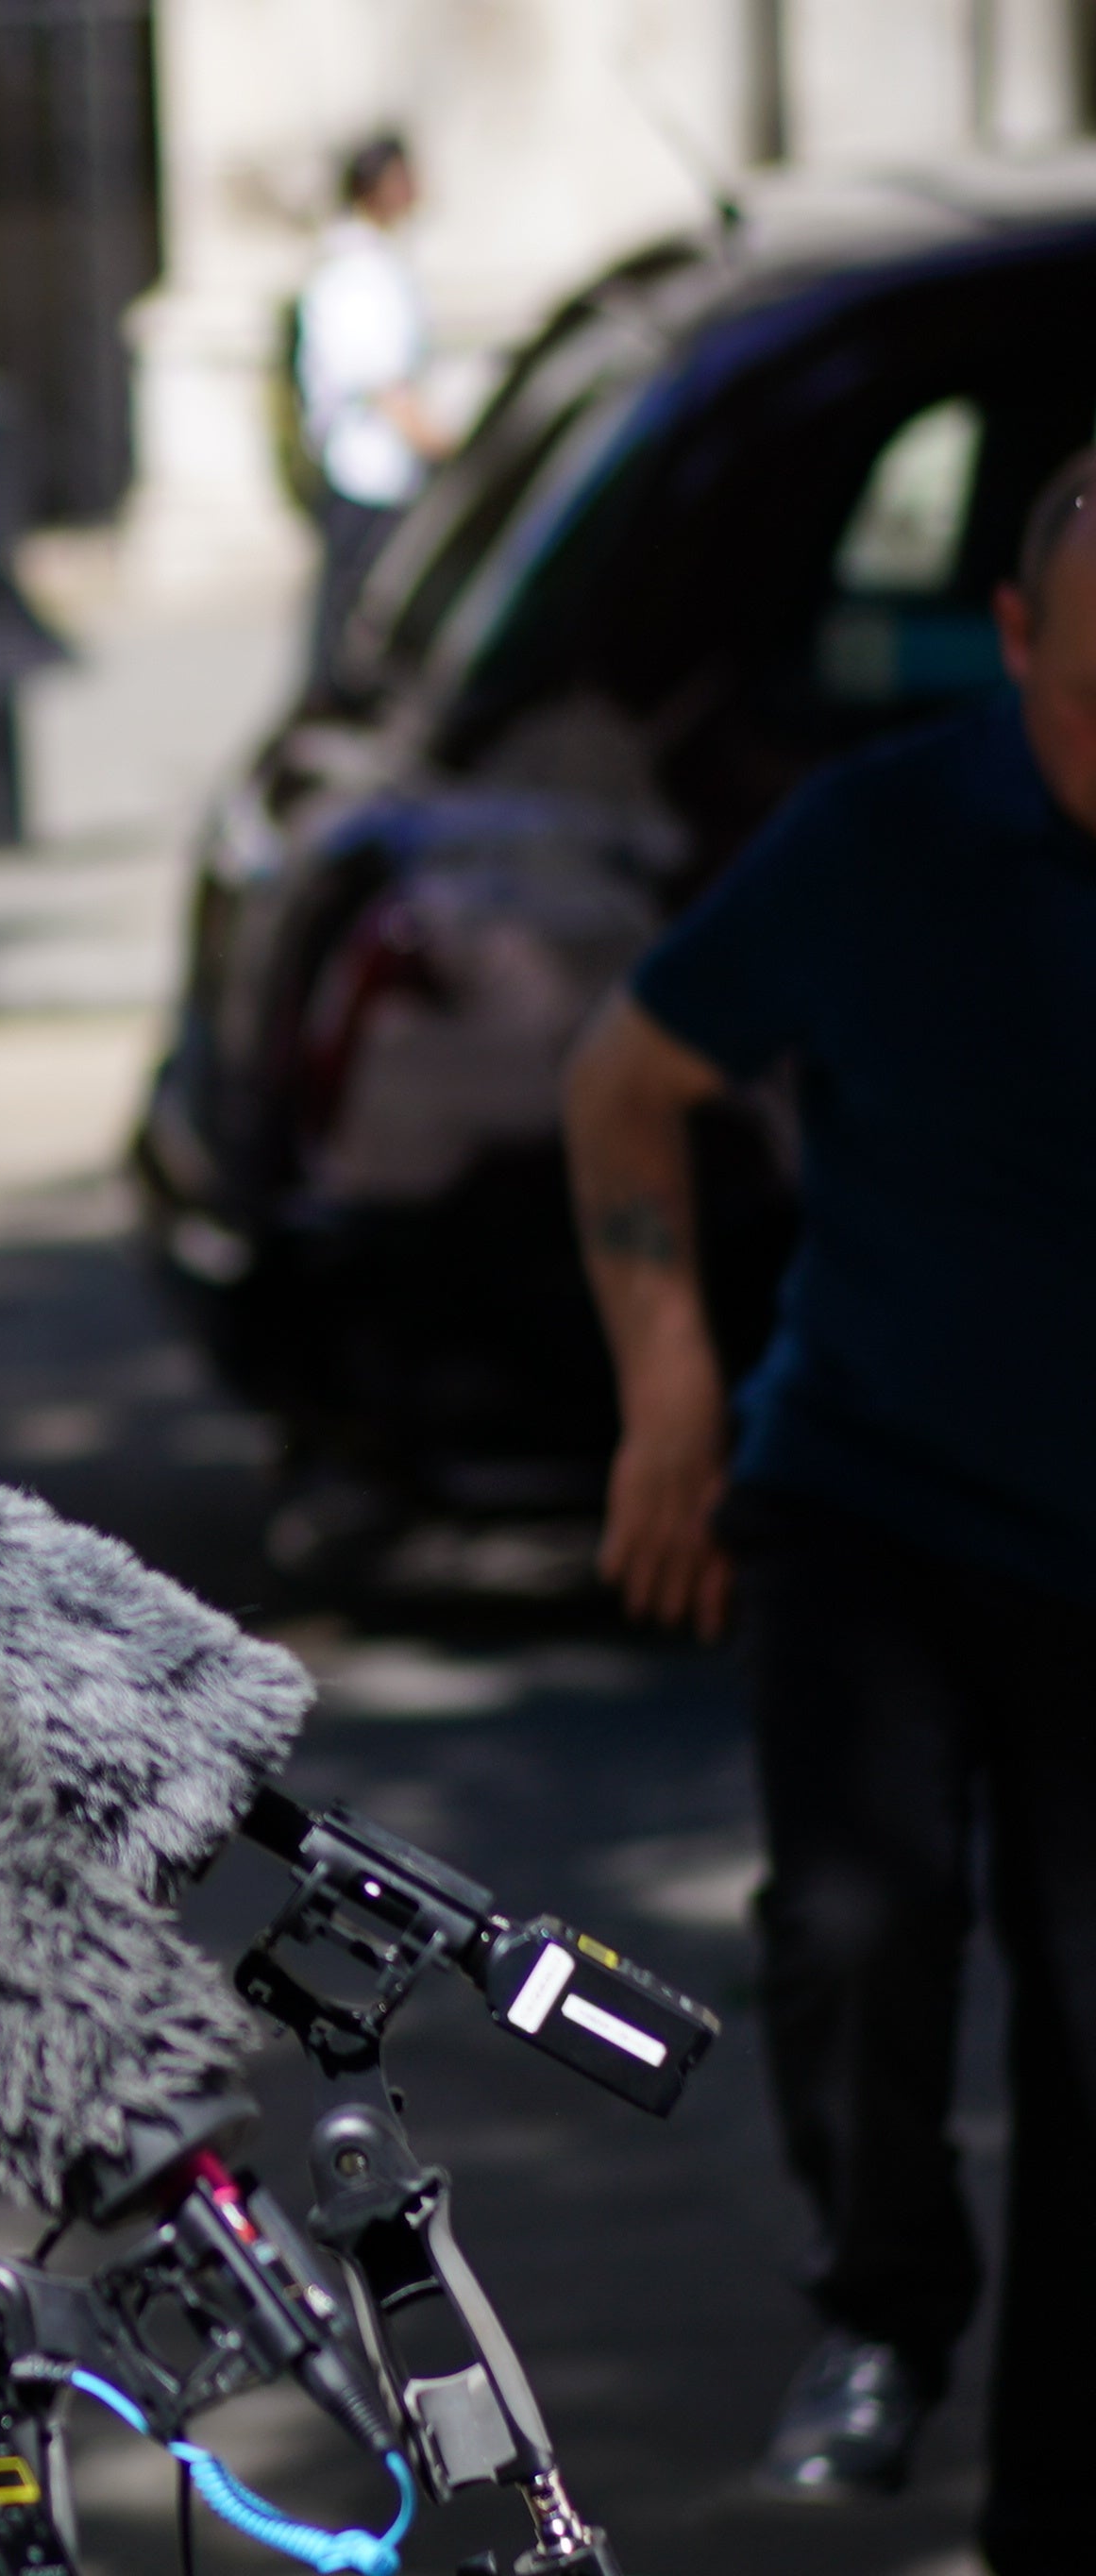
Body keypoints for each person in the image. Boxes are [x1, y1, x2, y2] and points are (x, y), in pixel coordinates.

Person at [563, 452, 1096, 2567]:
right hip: (865, 1489)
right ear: (1015, 641)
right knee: (860, 1923)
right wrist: (667, 1385)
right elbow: (625, 1075)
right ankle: (879, 2302)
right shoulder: (880, 839)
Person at [293, 133, 455, 694]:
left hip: (378, 472)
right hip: (369, 473)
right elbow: (385, 385)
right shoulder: (360, 273)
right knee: (354, 625)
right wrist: (445, 448)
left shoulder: (371, 263)